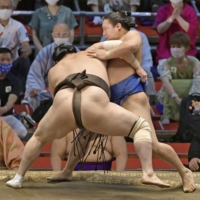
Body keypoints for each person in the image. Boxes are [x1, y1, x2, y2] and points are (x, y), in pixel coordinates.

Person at [50, 11, 195, 193]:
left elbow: (129, 47)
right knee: (84, 135)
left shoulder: (132, 35)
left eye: (106, 28)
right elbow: (90, 54)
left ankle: (184, 172)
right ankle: (67, 171)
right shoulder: (105, 43)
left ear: (118, 26)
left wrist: (107, 55)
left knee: (154, 145)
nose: (103, 32)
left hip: (131, 95)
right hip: (108, 98)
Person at [6, 44, 170, 189]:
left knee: (39, 137)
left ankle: (19, 177)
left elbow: (56, 97)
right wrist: (136, 67)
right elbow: (125, 46)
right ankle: (148, 172)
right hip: (94, 99)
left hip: (64, 103)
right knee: (141, 127)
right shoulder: (92, 52)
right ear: (75, 51)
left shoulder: (54, 70)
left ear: (56, 61)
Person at [24, 22, 79, 111]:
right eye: (58, 33)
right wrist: (35, 89)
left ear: (69, 35)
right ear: (53, 35)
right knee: (36, 97)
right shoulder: (45, 52)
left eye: (64, 34)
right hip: (47, 92)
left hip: (69, 90)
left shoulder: (77, 53)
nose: (61, 36)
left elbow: (81, 76)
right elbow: (34, 74)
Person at [157, 32, 200, 124]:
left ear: (186, 48)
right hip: (172, 95)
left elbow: (198, 82)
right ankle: (167, 114)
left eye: (179, 46)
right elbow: (165, 83)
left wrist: (190, 101)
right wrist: (176, 98)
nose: (175, 49)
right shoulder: (166, 63)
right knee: (170, 84)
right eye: (173, 46)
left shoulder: (194, 62)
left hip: (192, 94)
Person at [51, 132, 127, 171]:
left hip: (104, 174)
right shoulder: (66, 129)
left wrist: (119, 175)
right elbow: (56, 154)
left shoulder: (112, 128)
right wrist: (57, 174)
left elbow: (121, 154)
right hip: (73, 173)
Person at [0, 0, 32, 93]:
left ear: (13, 9)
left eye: (8, 7)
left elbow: (27, 46)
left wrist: (26, 50)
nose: (5, 10)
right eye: (2, 7)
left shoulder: (18, 26)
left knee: (25, 60)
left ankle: (22, 91)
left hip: (12, 63)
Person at [156, 0, 198, 68]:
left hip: (187, 54)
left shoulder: (190, 10)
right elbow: (160, 30)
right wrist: (171, 18)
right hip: (166, 55)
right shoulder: (163, 10)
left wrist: (178, 17)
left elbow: (191, 30)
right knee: (166, 73)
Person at [0, 47, 27, 139]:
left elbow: (12, 98)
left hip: (7, 116)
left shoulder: (15, 81)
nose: (5, 63)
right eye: (2, 60)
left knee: (22, 131)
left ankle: (3, 140)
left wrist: (4, 108)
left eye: (8, 60)